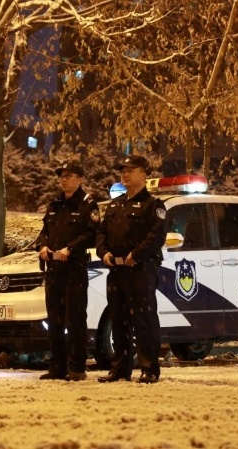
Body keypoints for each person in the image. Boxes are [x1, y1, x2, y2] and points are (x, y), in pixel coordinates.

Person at [95, 155, 166, 384]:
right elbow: (101, 233)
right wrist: (103, 252)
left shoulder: (153, 205)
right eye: (122, 170)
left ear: (143, 175)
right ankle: (120, 368)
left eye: (130, 170)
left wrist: (136, 255)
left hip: (140, 269)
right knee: (118, 319)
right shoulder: (116, 204)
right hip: (116, 270)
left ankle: (149, 368)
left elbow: (156, 236)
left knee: (143, 319)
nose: (124, 174)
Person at [34, 161, 100, 381]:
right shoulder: (55, 204)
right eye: (61, 176)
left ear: (80, 178)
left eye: (69, 175)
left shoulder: (87, 204)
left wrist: (70, 248)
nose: (63, 179)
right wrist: (42, 246)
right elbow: (44, 230)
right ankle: (58, 366)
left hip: (74, 269)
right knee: (54, 320)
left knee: (75, 319)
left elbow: (91, 234)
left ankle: (76, 366)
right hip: (53, 270)